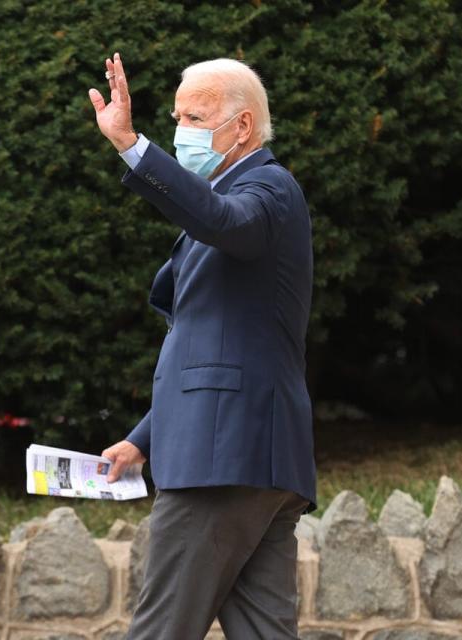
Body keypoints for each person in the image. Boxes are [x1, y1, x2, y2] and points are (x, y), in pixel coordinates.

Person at [89, 53, 317, 639]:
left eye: (196, 118)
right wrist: (142, 441)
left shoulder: (268, 186)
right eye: (176, 117)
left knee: (161, 630)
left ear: (242, 127)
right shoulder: (243, 194)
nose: (182, 130)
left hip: (223, 458)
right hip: (256, 457)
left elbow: (219, 219)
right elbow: (220, 343)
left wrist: (132, 146)